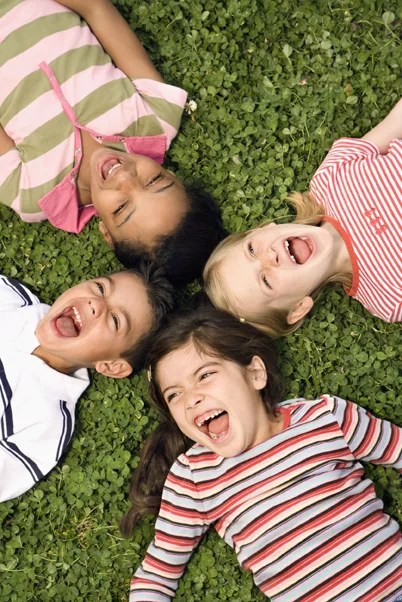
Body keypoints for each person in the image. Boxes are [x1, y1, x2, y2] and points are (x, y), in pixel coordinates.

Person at [121, 307, 402, 601]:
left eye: (205, 375)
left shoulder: (324, 418)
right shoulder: (193, 477)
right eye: (174, 395)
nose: (191, 400)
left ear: (255, 373)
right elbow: (156, 575)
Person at [0, 0, 226, 285]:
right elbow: (97, 9)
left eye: (121, 208)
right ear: (173, 175)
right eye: (155, 180)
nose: (124, 178)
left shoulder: (33, 196)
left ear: (106, 232)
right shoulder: (154, 120)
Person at [203, 98, 402, 336]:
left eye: (252, 250)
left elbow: (395, 123)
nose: (270, 257)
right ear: (298, 307)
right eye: (265, 281)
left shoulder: (328, 181)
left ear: (264, 228)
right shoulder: (387, 296)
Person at [0, 266, 173, 502]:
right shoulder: (10, 299)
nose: (96, 304)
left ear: (112, 366)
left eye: (114, 320)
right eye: (101, 288)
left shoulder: (45, 424)